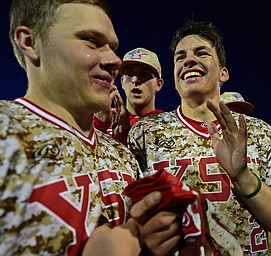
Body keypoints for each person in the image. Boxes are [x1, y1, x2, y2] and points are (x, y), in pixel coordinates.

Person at [0, 1, 181, 255]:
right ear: (30, 43)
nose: (114, 60)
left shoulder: (122, 155)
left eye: (112, 47)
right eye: (91, 41)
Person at [127, 20, 271, 255]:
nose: (188, 60)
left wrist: (243, 178)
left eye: (201, 53)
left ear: (223, 73)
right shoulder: (144, 133)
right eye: (180, 57)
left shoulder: (259, 133)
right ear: (175, 79)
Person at [93, 47, 164, 144]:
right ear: (122, 82)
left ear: (158, 84)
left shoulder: (165, 124)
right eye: (130, 74)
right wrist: (99, 126)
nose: (135, 80)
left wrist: (123, 136)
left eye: (144, 74)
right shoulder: (105, 118)